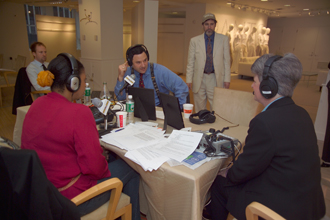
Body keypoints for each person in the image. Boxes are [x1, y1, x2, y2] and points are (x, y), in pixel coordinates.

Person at [204, 53, 325, 220]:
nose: (252, 86)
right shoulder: (301, 113)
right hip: (307, 204)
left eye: (255, 81)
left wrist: (227, 172)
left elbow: (242, 171)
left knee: (219, 183)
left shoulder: (264, 122)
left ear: (268, 87)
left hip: (280, 210)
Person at [21, 53, 141, 220]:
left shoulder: (36, 105)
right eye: (84, 81)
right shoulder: (79, 113)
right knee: (132, 166)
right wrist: (103, 159)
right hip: (72, 201)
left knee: (112, 159)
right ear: (73, 83)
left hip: (42, 194)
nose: (86, 84)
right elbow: (94, 168)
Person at [115, 44, 189, 109]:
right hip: (135, 112)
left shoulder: (159, 71)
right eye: (138, 62)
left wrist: (177, 109)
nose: (143, 65)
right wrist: (120, 77)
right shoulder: (127, 72)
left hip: (158, 111)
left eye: (145, 60)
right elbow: (120, 98)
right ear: (130, 63)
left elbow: (182, 87)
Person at [186, 13, 231, 113]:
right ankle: (201, 126)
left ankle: (214, 127)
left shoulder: (223, 39)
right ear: (203, 26)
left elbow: (227, 61)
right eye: (206, 24)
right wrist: (189, 79)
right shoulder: (194, 41)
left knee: (216, 107)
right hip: (199, 78)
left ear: (215, 25)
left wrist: (227, 79)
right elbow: (191, 62)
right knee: (199, 108)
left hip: (215, 78)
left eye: (212, 24)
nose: (209, 27)